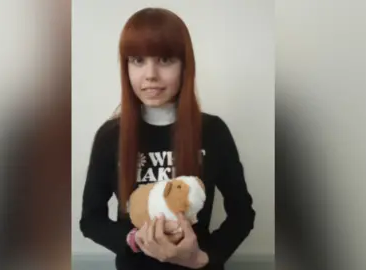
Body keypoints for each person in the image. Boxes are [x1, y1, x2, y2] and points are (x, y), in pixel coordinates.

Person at [80, 7, 256, 270]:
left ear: (185, 65)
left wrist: (202, 258)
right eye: (138, 60)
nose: (150, 74)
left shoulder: (213, 131)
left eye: (165, 60)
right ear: (126, 66)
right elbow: (91, 220)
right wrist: (134, 239)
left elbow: (242, 215)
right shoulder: (110, 137)